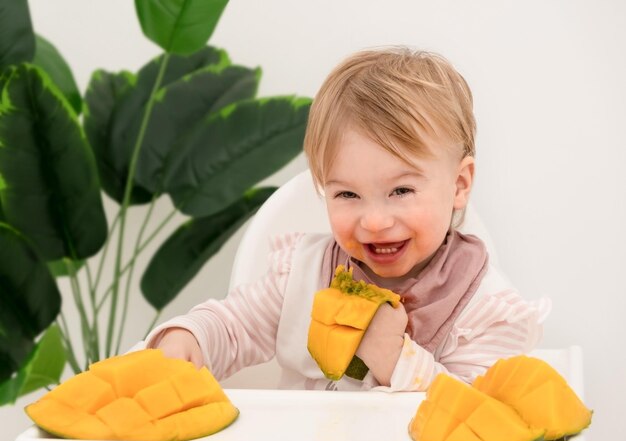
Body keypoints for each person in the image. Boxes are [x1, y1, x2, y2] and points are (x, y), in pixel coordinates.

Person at [143, 47, 550, 392]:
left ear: (459, 184)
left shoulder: (486, 311)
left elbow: (475, 420)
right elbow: (234, 327)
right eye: (347, 194)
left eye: (401, 191)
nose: (374, 221)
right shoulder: (301, 276)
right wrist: (188, 338)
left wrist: (394, 358)